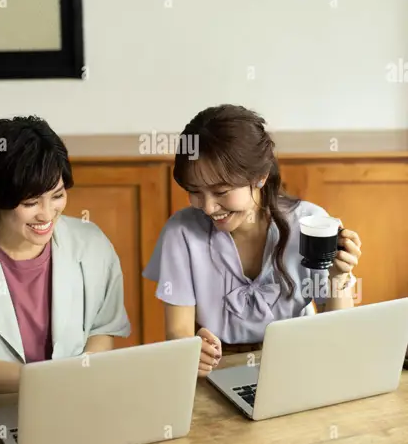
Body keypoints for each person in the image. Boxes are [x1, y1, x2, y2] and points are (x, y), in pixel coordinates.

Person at [143, 105, 362, 378]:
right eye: (195, 192)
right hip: (217, 372)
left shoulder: (310, 223)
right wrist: (191, 351)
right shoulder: (182, 232)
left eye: (221, 191)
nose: (208, 207)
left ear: (260, 177)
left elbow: (337, 333)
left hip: (298, 363)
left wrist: (338, 275)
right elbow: (178, 332)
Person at [0, 116, 130, 396]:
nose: (47, 215)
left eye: (57, 195)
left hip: (78, 401)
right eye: (30, 203)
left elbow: (101, 330)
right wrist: (55, 382)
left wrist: (81, 381)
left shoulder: (91, 242)